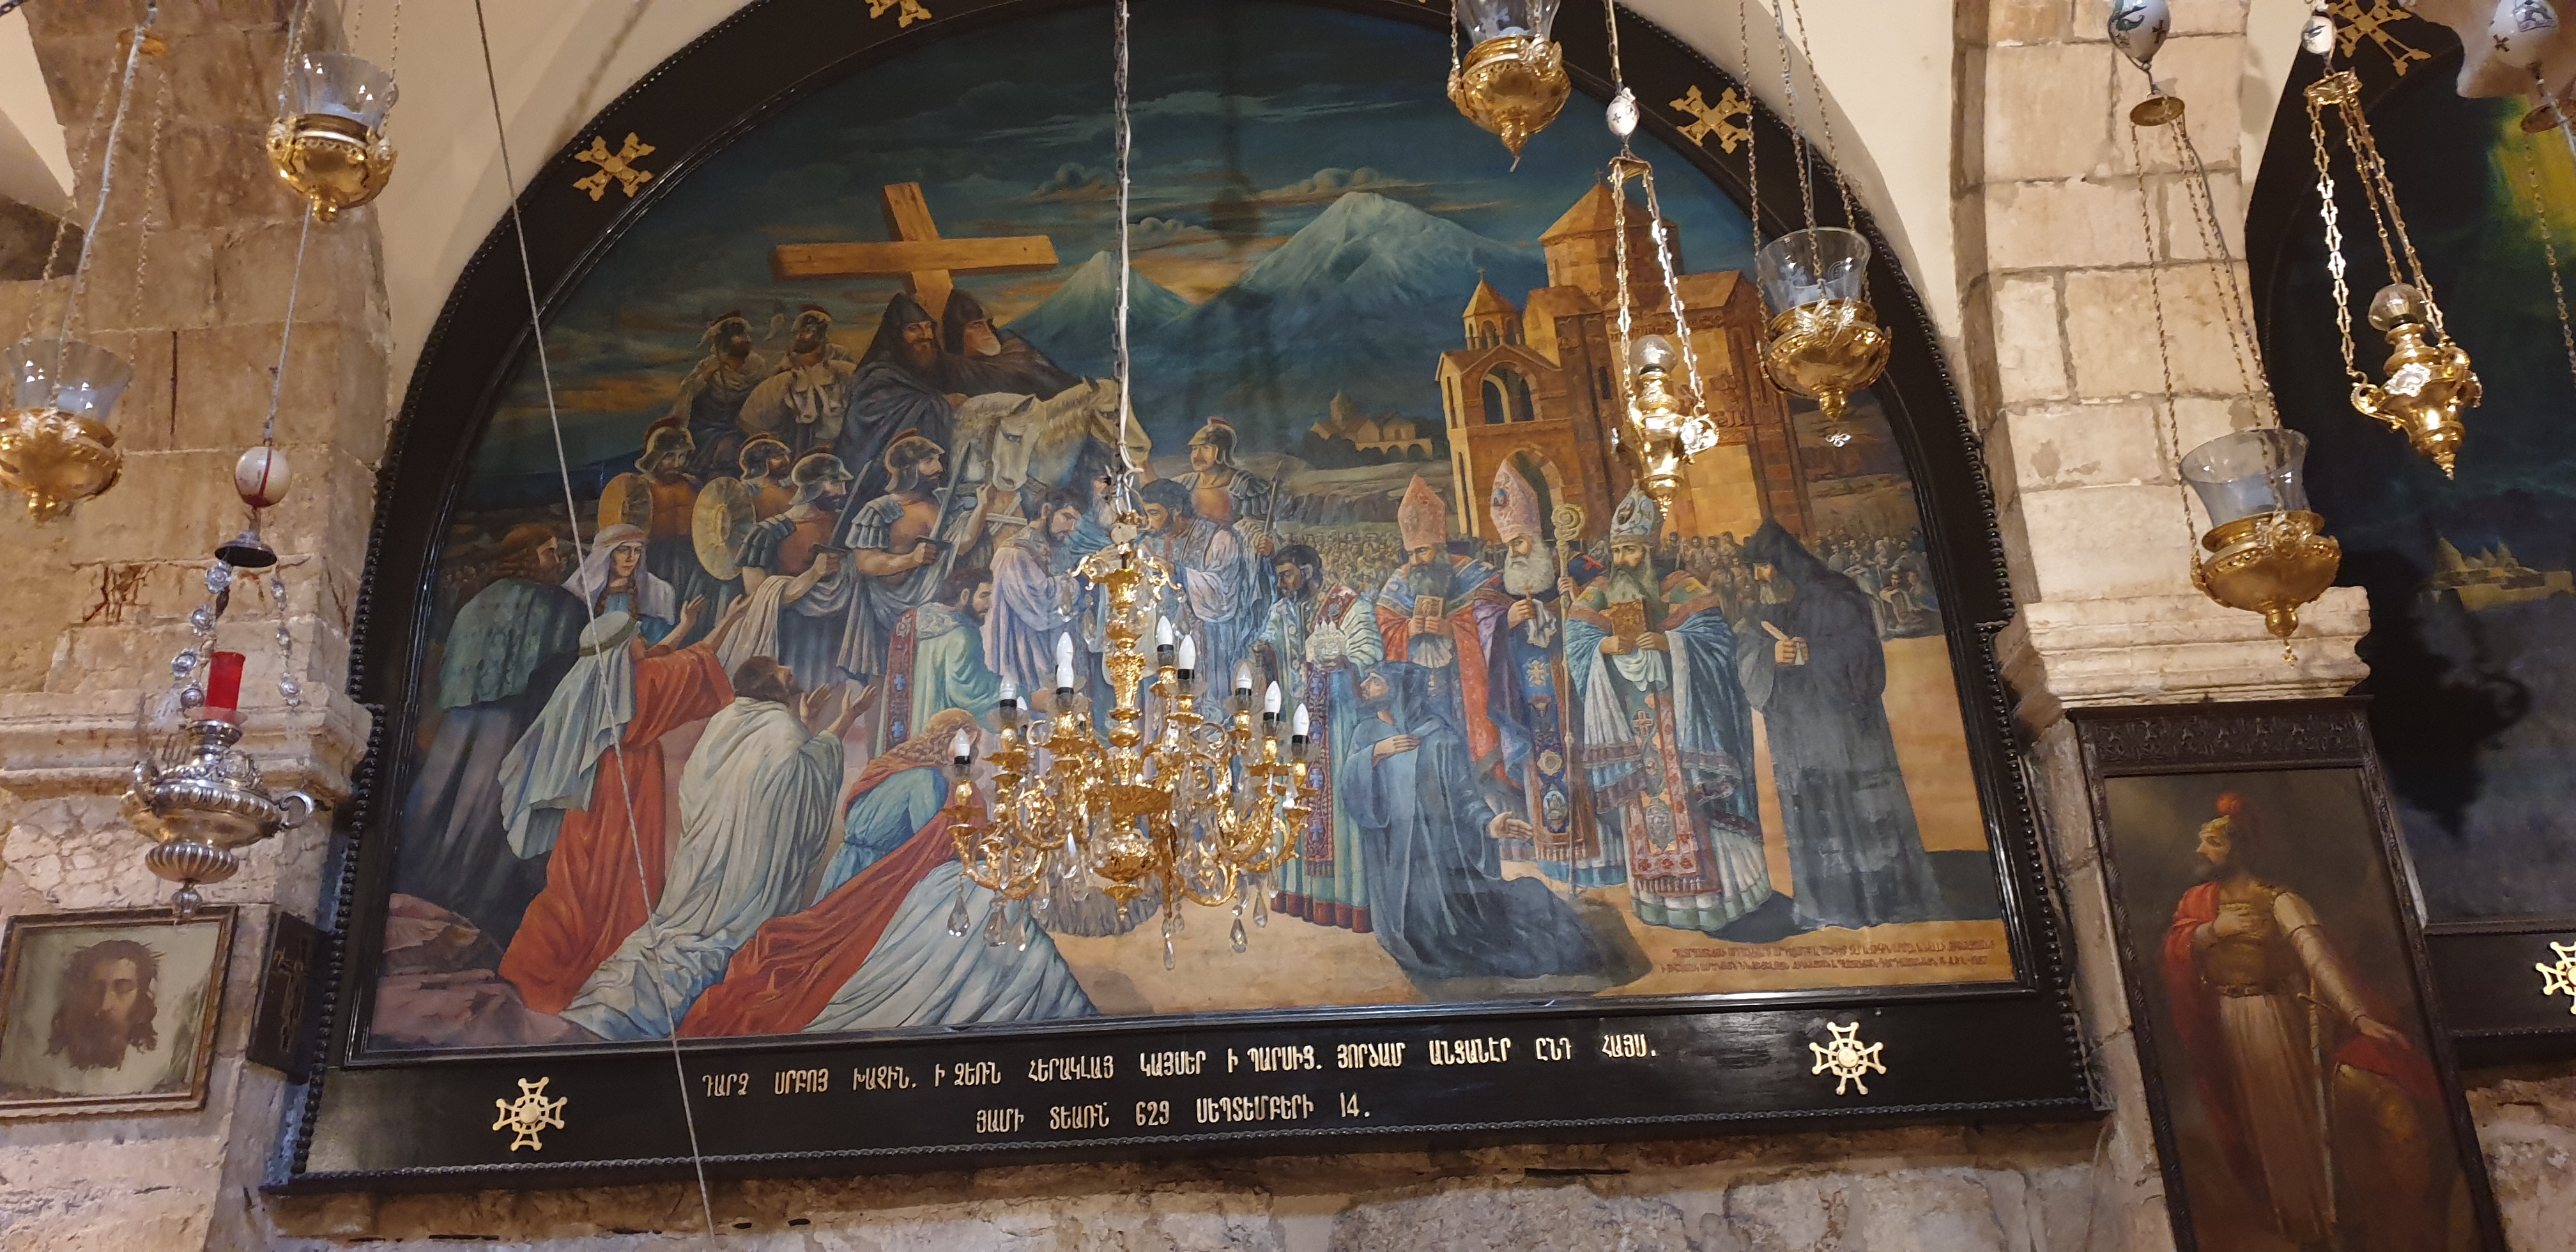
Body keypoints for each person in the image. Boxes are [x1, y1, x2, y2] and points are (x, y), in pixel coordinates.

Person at [678, 710, 1097, 1037]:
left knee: (825, 948)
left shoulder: (891, 766)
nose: (971, 754)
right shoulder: (927, 782)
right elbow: (934, 844)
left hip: (850, 869)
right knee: (842, 958)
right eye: (968, 744)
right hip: (877, 879)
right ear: (950, 742)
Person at [2163, 792, 2451, 1251]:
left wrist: (2358, 1014)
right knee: (2261, 1131)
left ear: (2238, 847)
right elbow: (2176, 951)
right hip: (2229, 1026)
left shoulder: (2278, 900)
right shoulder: (2197, 903)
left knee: (2295, 1123)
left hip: (2276, 1019)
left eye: (2213, 842)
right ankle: (2295, 1225)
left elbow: (2319, 959)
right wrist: (2211, 933)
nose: (2202, 851)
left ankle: (2325, 1222)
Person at [560, 657, 867, 1041]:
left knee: (674, 936)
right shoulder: (778, 725)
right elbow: (805, 775)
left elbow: (704, 784)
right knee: (717, 942)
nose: (789, 671)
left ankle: (613, 1000)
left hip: (705, 860)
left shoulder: (725, 720)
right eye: (779, 670)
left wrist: (717, 826)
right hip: (748, 867)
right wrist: (847, 718)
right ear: (768, 683)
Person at [496, 599, 744, 1014]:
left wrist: (684, 626)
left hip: (590, 797)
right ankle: (596, 970)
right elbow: (694, 664)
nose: (644, 640)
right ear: (624, 647)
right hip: (627, 793)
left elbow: (660, 659)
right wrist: (731, 620)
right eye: (637, 636)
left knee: (574, 883)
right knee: (621, 880)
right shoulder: (642, 683)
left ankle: (532, 965)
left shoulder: (597, 682)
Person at [1564, 490, 1770, 933]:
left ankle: (1715, 900)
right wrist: (1603, 647)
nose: (1622, 559)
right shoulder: (1601, 591)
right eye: (1618, 550)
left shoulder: (1682, 586)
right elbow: (1577, 639)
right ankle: (1658, 900)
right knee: (1644, 804)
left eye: (1631, 549)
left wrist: (1671, 643)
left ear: (1649, 548)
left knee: (1691, 804)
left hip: (1681, 719)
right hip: (1629, 719)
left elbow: (1717, 642)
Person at [1337, 662, 1606, 984]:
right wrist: (1375, 754)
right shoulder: (1366, 734)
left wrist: (1489, 825)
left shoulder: (1440, 738)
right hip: (1392, 856)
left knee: (1453, 939)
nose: (1364, 686)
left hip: (1437, 858)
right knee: (1408, 936)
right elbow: (1351, 788)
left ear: (1401, 691)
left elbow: (1466, 796)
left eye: (1376, 681)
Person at [1737, 519, 1942, 929]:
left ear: (1782, 563)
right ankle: (1828, 903)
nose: (1759, 578)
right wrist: (1770, 657)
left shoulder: (1837, 594)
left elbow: (1865, 655)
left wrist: (1811, 652)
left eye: (1763, 567)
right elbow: (1747, 647)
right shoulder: (1769, 608)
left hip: (1847, 732)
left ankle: (1884, 902)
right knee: (1815, 812)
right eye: (1755, 570)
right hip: (1798, 734)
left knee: (1861, 811)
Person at [394, 524, 586, 941]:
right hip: (512, 722)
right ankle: (476, 907)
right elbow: (574, 663)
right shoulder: (553, 604)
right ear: (529, 557)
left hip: (459, 724)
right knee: (493, 809)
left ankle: (427, 886)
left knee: (443, 801)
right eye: (550, 553)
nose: (558, 562)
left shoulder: (475, 604)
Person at [1487, 465, 1604, 885]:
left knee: (1582, 764)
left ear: (1538, 540)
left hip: (1574, 692)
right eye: (1510, 545)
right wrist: (1506, 622)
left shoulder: (1577, 568)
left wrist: (1581, 599)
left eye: (1520, 542)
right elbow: (1482, 630)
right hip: (1531, 700)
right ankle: (1554, 857)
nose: (1516, 552)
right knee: (1543, 767)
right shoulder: (1500, 585)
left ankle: (1598, 861)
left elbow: (1612, 607)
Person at [1258, 542, 1383, 932]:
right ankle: (1298, 895)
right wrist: (1264, 654)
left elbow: (1370, 652)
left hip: (1336, 721)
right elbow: (1270, 645)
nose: (1281, 584)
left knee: (1339, 806)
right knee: (1293, 803)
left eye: (1287, 575)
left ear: (1309, 571)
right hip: (1294, 726)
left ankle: (1345, 901)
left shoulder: (1348, 605)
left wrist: (1346, 661)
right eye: (1278, 578)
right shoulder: (1280, 611)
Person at [840, 433, 1004, 687]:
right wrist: (911, 559)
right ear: (907, 470)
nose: (939, 468)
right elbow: (865, 562)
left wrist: (983, 507)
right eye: (929, 461)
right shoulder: (878, 511)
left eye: (938, 460)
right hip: (888, 608)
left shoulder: (943, 502)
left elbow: (959, 548)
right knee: (890, 680)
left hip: (935, 602)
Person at [1374, 475, 1508, 773]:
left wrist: (1454, 631)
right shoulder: (1399, 582)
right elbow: (1383, 628)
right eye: (1411, 553)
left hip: (1464, 688)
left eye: (1422, 551)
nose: (1416, 561)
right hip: (1419, 693)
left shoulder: (1476, 575)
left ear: (1440, 546)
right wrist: (1407, 631)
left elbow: (1498, 624)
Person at [730, 452, 857, 689]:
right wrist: (813, 575)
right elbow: (758, 597)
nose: (843, 492)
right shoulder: (768, 533)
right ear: (812, 487)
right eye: (835, 484)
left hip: (839, 633)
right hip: (792, 637)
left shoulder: (844, 525)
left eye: (843, 484)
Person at [1137, 477, 1263, 694]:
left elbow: (1223, 591)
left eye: (1154, 513)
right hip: (1161, 646)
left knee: (1205, 704)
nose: (1148, 522)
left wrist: (1178, 572)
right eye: (1145, 514)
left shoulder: (1219, 538)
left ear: (1177, 510)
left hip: (1208, 644)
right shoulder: (1147, 544)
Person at [838, 294, 956, 498]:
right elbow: (869, 426)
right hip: (880, 480)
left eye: (928, 327)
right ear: (896, 334)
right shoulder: (878, 375)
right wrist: (941, 403)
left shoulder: (927, 364)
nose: (926, 335)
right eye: (914, 329)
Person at [984, 488, 1084, 699]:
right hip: (1026, 648)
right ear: (1046, 511)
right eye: (1067, 517)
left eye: (1076, 521)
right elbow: (1039, 602)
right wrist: (1078, 581)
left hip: (1053, 647)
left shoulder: (1058, 548)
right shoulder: (1015, 553)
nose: (1072, 528)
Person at [598, 426, 711, 609]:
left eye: (682, 457)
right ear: (655, 457)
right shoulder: (640, 489)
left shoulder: (693, 485)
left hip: (691, 556)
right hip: (655, 557)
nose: (677, 463)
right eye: (670, 457)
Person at [689, 436, 796, 615]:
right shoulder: (744, 492)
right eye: (777, 457)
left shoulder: (792, 489)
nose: (786, 461)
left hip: (786, 558)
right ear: (761, 463)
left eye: (784, 455)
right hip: (752, 562)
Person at [740, 305, 861, 456]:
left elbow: (856, 379)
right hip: (800, 432)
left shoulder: (839, 360)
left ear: (821, 334)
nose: (800, 337)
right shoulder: (789, 366)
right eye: (799, 332)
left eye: (807, 332)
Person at [663, 311, 769, 480]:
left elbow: (766, 393)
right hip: (709, 428)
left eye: (746, 335)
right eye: (739, 336)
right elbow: (688, 391)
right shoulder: (709, 365)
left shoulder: (757, 365)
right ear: (725, 341)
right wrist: (707, 374)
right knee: (725, 448)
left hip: (744, 425)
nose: (746, 340)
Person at [901, 565, 1002, 740]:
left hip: (912, 737)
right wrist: (1022, 695)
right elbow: (972, 689)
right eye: (984, 596)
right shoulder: (963, 635)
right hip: (944, 739)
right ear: (965, 596)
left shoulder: (913, 624)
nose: (990, 605)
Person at [936, 288, 1078, 401]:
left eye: (988, 324)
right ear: (955, 334)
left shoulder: (1016, 350)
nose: (987, 331)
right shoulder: (960, 371)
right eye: (976, 326)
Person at [565, 523, 678, 643]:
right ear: (606, 554)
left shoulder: (657, 590)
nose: (631, 558)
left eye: (637, 551)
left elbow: (659, 637)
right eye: (624, 550)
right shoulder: (580, 589)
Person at [1175, 416, 1274, 535]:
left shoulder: (1245, 486)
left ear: (1222, 451)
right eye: (1195, 449)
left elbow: (1256, 532)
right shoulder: (1184, 483)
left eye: (1205, 448)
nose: (1197, 456)